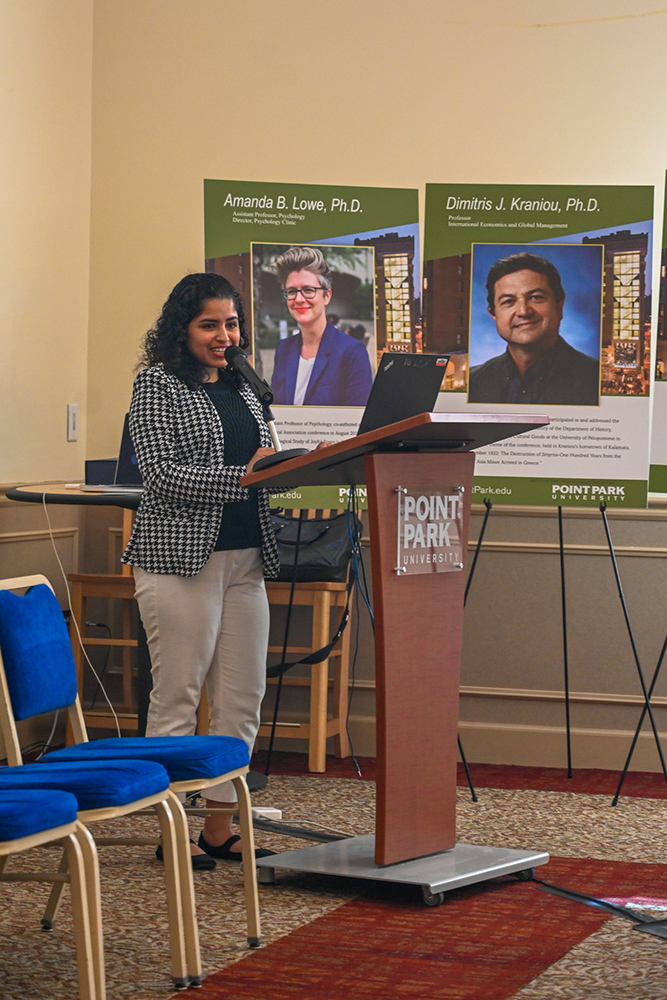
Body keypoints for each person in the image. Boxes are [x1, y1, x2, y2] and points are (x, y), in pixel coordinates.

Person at [121, 272, 278, 869]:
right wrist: (245, 477)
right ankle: (170, 832)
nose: (223, 335)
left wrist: (289, 468)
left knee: (242, 697)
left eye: (231, 323)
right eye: (208, 324)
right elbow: (160, 476)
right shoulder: (156, 385)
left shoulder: (244, 384)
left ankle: (218, 828)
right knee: (179, 696)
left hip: (245, 558)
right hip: (178, 559)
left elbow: (262, 459)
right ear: (181, 329)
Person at [468, 251, 600, 406]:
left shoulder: (595, 378)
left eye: (536, 297)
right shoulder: (472, 381)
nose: (523, 311)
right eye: (508, 301)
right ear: (493, 314)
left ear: (559, 306)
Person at [270, 246, 373, 406]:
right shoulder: (283, 349)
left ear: (327, 296)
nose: (298, 299)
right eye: (291, 291)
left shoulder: (352, 352)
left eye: (308, 290)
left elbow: (358, 423)